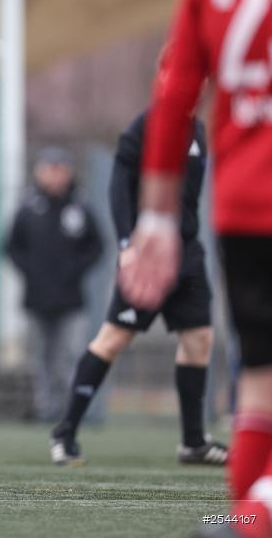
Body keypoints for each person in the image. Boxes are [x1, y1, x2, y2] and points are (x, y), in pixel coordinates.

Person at [117, 0, 272, 536]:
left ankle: (242, 517)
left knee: (259, 372)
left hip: (245, 205)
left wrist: (155, 218)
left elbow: (175, 92)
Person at [49, 111, 228, 467]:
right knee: (114, 338)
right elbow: (120, 185)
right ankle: (65, 433)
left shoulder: (197, 129)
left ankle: (193, 443)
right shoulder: (145, 127)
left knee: (199, 340)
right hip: (148, 254)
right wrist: (128, 243)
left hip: (188, 255)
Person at [4, 147, 103, 423]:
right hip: (36, 298)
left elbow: (97, 247)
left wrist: (75, 271)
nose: (55, 175)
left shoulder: (80, 208)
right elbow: (11, 246)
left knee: (70, 356)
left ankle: (70, 411)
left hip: (71, 299)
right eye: (50, 168)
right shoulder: (28, 208)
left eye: (60, 169)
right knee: (40, 359)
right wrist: (31, 272)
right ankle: (44, 409)